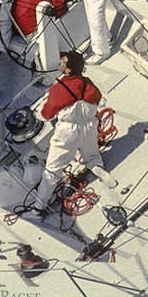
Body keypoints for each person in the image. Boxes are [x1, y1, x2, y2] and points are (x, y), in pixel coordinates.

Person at [37, 50, 104, 206]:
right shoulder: (88, 83)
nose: (60, 61)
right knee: (92, 153)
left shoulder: (58, 89)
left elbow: (47, 114)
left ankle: (38, 208)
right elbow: (98, 98)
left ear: (68, 70)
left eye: (63, 61)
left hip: (67, 132)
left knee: (52, 171)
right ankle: (96, 166)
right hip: (89, 127)